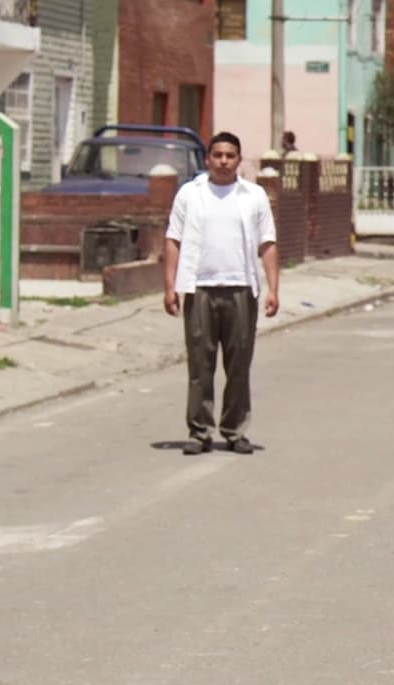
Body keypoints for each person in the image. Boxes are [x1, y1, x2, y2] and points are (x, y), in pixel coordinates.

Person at [163, 131, 280, 455]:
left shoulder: (253, 196)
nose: (224, 161)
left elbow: (267, 243)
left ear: (239, 160)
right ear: (207, 159)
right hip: (199, 288)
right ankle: (199, 431)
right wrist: (170, 286)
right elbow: (173, 239)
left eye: (230, 156)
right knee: (200, 365)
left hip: (241, 289)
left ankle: (234, 429)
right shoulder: (190, 194)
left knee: (239, 364)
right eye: (218, 155)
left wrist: (273, 288)